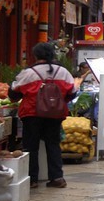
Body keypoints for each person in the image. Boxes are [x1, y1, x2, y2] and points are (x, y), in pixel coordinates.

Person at [10, 41, 76, 189]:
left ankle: (32, 179)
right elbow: (72, 92)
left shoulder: (28, 73)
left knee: (31, 146)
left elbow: (14, 92)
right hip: (55, 114)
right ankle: (57, 177)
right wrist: (57, 102)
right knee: (53, 144)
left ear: (35, 55)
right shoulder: (63, 72)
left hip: (32, 113)